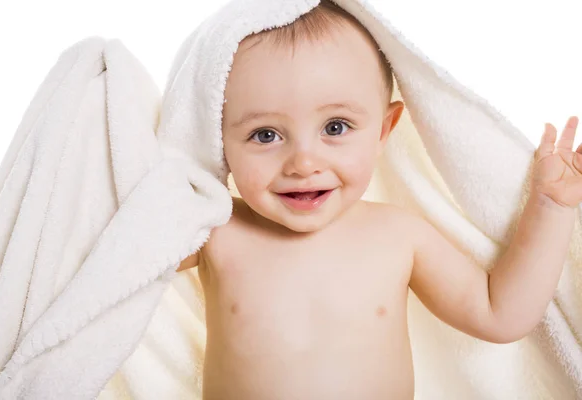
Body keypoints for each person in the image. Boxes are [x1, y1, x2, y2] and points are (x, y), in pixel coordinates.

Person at [177, 1, 581, 398]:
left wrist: (551, 206)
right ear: (218, 139)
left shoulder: (398, 236)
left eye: (335, 127)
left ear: (383, 130)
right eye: (265, 135)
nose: (303, 163)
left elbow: (501, 314)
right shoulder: (214, 230)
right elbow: (125, 260)